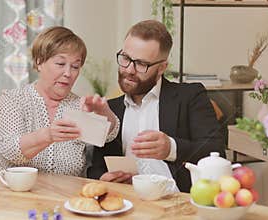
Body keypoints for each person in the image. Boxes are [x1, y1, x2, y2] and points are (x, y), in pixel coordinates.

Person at [87, 20, 225, 192]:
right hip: (126, 204)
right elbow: (95, 167)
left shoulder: (190, 96)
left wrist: (171, 148)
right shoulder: (111, 109)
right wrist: (103, 179)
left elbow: (215, 150)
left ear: (161, 68)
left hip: (177, 204)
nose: (129, 69)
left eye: (141, 64)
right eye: (125, 58)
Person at [0, 26, 119, 177]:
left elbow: (108, 136)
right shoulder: (13, 99)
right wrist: (48, 135)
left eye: (75, 66)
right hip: (17, 196)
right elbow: (9, 150)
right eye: (60, 64)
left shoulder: (78, 105)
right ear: (39, 62)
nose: (68, 73)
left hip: (66, 196)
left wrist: (104, 112)